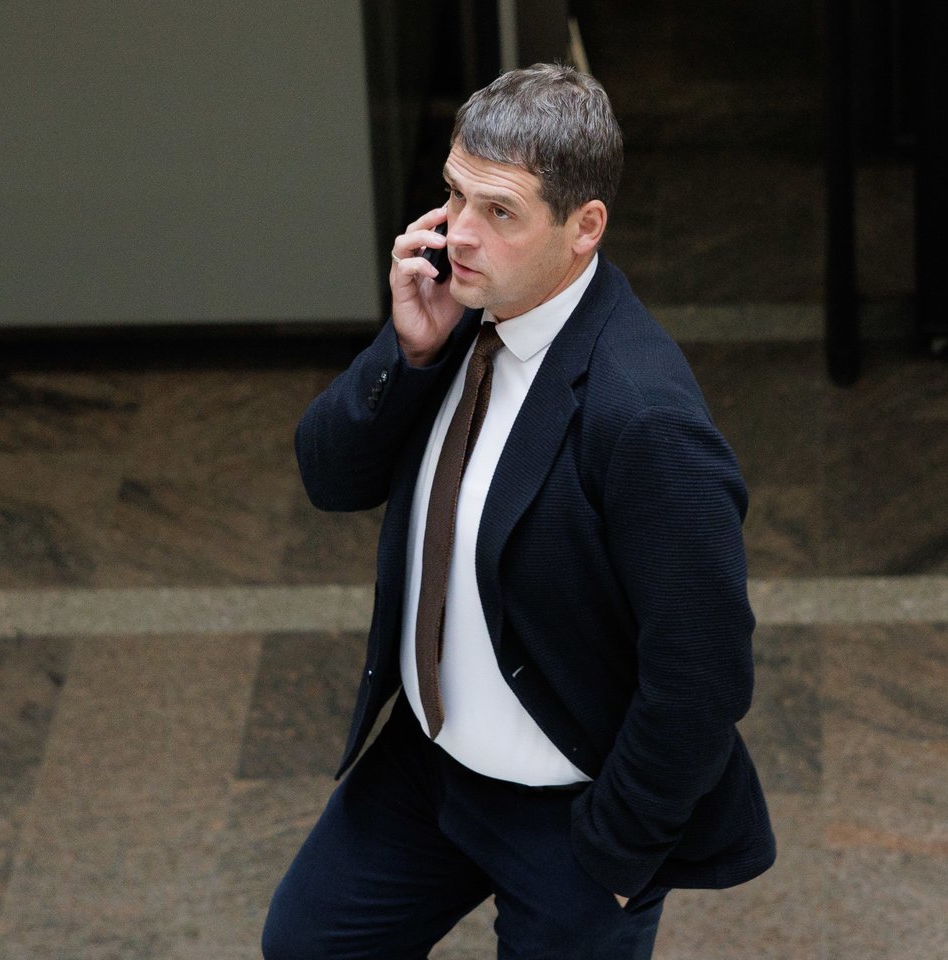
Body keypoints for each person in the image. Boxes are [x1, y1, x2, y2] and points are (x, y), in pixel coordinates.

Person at [264, 63, 774, 959]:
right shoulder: (463, 306)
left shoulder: (643, 416)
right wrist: (407, 357)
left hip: (569, 816)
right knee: (306, 947)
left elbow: (702, 674)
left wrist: (615, 854)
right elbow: (329, 478)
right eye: (454, 195)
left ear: (585, 228)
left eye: (499, 211)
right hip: (428, 769)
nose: (459, 233)